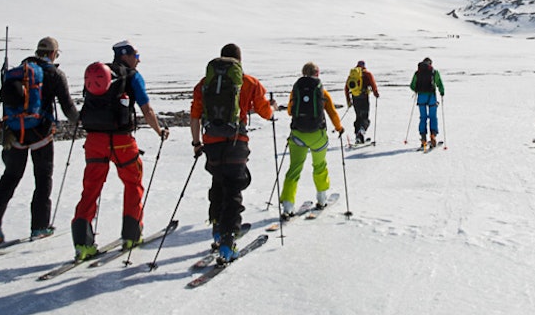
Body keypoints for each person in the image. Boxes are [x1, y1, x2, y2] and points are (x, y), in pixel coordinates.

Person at [70, 40, 169, 261]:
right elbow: (146, 107)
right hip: (122, 141)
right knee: (133, 183)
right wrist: (159, 130)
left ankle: (82, 244)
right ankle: (132, 235)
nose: (138, 59)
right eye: (136, 54)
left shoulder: (99, 74)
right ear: (126, 55)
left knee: (91, 188)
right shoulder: (132, 76)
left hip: (94, 140)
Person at [0, 36, 79, 243]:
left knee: (10, 176)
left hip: (13, 132)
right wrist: (83, 122)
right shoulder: (55, 74)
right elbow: (68, 107)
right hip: (40, 134)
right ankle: (39, 227)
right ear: (54, 54)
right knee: (43, 179)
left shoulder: (19, 70)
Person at [189, 43, 274, 263]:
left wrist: (196, 143)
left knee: (218, 183)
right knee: (234, 189)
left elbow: (195, 115)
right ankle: (228, 243)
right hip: (237, 142)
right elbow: (265, 112)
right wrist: (271, 110)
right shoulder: (249, 82)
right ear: (239, 61)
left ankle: (217, 231)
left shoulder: (204, 84)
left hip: (211, 143)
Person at [281, 62, 344, 216]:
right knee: (320, 166)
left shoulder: (296, 90)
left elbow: (290, 111)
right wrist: (339, 128)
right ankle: (322, 199)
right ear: (317, 73)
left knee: (294, 169)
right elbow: (332, 112)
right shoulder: (321, 91)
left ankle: (288, 205)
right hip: (318, 136)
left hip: (298, 135)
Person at [410, 57, 445, 149]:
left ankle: (423, 138)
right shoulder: (434, 72)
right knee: (433, 117)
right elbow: (439, 83)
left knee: (423, 117)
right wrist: (442, 92)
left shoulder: (418, 73)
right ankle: (433, 135)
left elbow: (412, 85)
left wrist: (417, 90)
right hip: (431, 97)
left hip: (421, 98)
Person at [343, 59, 380, 144]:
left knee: (358, 117)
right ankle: (361, 132)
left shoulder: (352, 75)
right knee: (365, 117)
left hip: (355, 98)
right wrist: (376, 93)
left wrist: (348, 101)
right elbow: (373, 84)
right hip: (364, 97)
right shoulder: (367, 74)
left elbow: (346, 88)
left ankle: (358, 136)